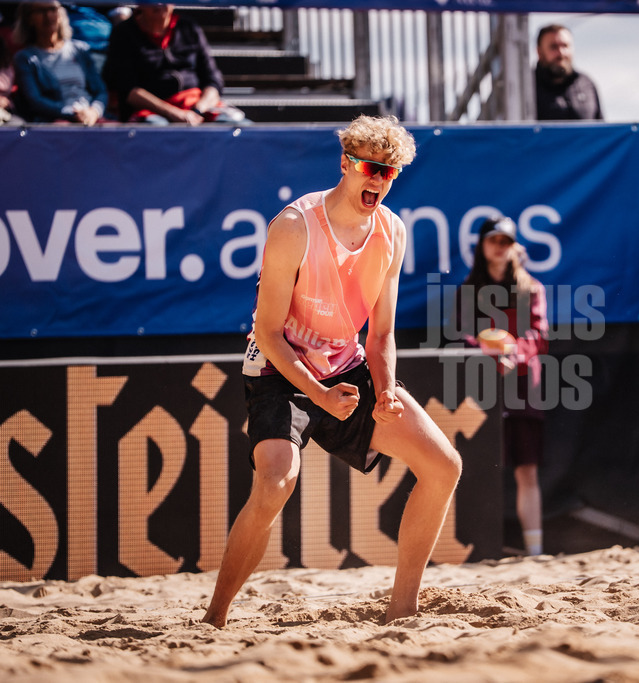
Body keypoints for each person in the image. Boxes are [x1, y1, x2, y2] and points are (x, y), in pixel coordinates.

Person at [201, 115, 462, 627]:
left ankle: (402, 611)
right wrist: (318, 395)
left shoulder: (392, 231)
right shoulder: (295, 225)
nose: (379, 182)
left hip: (347, 366)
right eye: (371, 168)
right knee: (276, 482)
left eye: (390, 174)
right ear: (346, 164)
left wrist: (385, 390)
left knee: (444, 465)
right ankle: (215, 616)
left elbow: (381, 334)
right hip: (281, 369)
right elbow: (269, 333)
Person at [454, 216, 550, 556]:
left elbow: (539, 336)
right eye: (494, 240)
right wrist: (491, 355)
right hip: (482, 389)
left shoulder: (531, 288)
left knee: (527, 471)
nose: (499, 246)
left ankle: (535, 552)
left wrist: (513, 354)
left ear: (514, 247)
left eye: (506, 241)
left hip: (523, 388)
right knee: (478, 469)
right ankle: (482, 548)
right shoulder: (469, 290)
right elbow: (462, 336)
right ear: (482, 245)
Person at [102, 3, 243, 125]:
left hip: (195, 106)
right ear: (140, 4)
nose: (160, 4)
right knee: (156, 130)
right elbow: (128, 90)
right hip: (150, 112)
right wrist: (173, 113)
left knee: (238, 127)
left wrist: (198, 109)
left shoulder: (189, 28)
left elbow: (213, 80)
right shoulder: (124, 33)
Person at [12, 1, 107, 125]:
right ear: (29, 19)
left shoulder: (80, 50)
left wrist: (94, 111)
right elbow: (35, 101)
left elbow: (100, 91)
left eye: (53, 9)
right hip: (53, 121)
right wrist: (72, 113)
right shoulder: (25, 58)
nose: (48, 16)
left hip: (89, 116)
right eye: (41, 11)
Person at [534, 24, 602, 121]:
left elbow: (601, 130)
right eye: (553, 47)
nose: (561, 53)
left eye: (565, 46)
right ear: (539, 52)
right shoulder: (526, 87)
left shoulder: (586, 84)